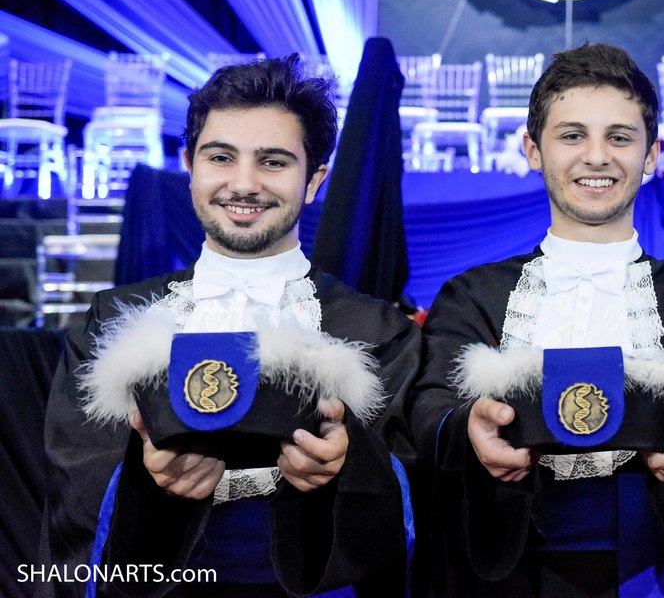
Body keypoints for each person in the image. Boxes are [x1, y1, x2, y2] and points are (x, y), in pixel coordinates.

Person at [38, 56, 421, 597]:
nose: (244, 184)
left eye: (273, 162)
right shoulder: (111, 322)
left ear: (314, 180)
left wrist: (347, 464)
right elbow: (76, 482)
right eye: (221, 157)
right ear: (189, 165)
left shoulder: (377, 331)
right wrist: (147, 484)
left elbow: (417, 494)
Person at [409, 42, 664, 597]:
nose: (597, 157)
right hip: (506, 565)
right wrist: (468, 428)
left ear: (651, 155)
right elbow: (428, 409)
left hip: (662, 564)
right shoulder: (471, 298)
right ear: (533, 150)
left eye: (619, 138)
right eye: (572, 136)